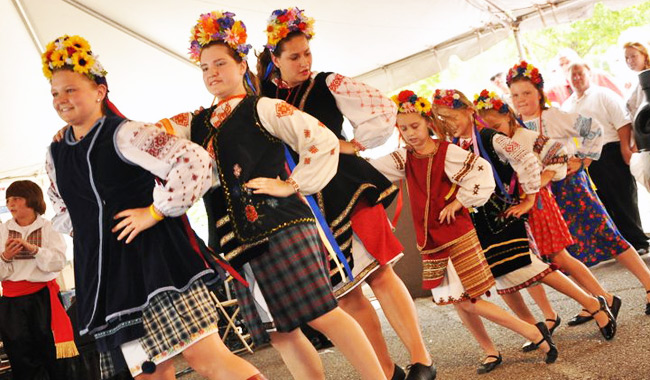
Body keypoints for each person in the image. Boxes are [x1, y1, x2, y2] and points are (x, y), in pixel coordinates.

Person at [157, 11, 387, 380]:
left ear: (241, 63)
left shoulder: (262, 107)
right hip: (234, 242)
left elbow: (322, 139)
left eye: (219, 63)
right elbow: (143, 138)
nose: (211, 72)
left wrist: (292, 184)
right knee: (280, 334)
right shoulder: (194, 122)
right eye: (204, 67)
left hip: (281, 226)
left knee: (323, 313)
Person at [43, 34, 265, 379]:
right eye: (56, 92)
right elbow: (61, 206)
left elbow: (194, 160)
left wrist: (155, 212)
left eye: (71, 89)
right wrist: (93, 234)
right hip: (108, 276)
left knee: (206, 359)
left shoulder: (126, 134)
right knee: (148, 372)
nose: (61, 99)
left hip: (155, 262)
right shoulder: (56, 152)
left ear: (99, 91)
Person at [255, 7, 434, 380]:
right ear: (275, 58)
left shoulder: (327, 82)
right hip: (305, 200)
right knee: (347, 293)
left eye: (307, 53)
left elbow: (381, 109)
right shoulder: (261, 97)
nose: (304, 62)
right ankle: (387, 372)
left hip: (349, 187)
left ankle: (422, 360)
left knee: (380, 273)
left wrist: (351, 144)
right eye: (294, 56)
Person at [370, 90, 558, 374]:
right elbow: (369, 170)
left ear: (429, 122)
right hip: (431, 239)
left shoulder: (447, 152)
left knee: (469, 301)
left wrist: (460, 200)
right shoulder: (402, 159)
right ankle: (491, 349)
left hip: (456, 234)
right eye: (404, 128)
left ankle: (533, 331)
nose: (410, 133)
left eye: (415, 126)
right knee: (458, 301)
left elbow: (481, 171)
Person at [507, 60, 650, 319]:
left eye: (526, 92)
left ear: (539, 93)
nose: (521, 99)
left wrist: (583, 159)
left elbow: (593, 129)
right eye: (515, 94)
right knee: (567, 251)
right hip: (544, 194)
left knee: (608, 234)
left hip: (570, 186)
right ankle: (596, 300)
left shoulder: (554, 116)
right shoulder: (513, 125)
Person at [472, 89, 618, 343]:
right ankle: (551, 314)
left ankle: (603, 296)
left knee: (559, 256)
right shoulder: (493, 142)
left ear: (509, 116)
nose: (495, 131)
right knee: (531, 262)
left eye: (497, 125)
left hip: (538, 203)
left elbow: (558, 153)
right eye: (489, 128)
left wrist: (544, 179)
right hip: (518, 205)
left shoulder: (526, 136)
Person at [562, 61, 648, 254]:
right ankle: (619, 246)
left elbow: (623, 122)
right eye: (573, 75)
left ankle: (639, 242)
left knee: (623, 197)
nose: (577, 78)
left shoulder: (602, 94)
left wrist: (626, 147)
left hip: (611, 150)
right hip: (586, 158)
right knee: (603, 201)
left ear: (588, 73)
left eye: (580, 74)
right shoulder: (568, 105)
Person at [0, 180, 77, 379]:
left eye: (16, 198)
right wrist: (5, 256)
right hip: (12, 301)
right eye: (8, 200)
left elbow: (58, 262)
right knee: (21, 356)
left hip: (44, 298)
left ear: (31, 200)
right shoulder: (2, 230)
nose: (11, 204)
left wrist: (34, 250)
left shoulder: (49, 227)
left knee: (53, 353)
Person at [546, 48, 624, 106]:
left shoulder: (599, 76)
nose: (565, 67)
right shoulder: (558, 87)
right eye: (561, 65)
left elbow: (620, 97)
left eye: (568, 62)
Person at [623, 42, 650, 119]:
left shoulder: (647, 79)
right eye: (627, 58)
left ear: (644, 55)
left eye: (633, 56)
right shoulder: (634, 81)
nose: (630, 61)